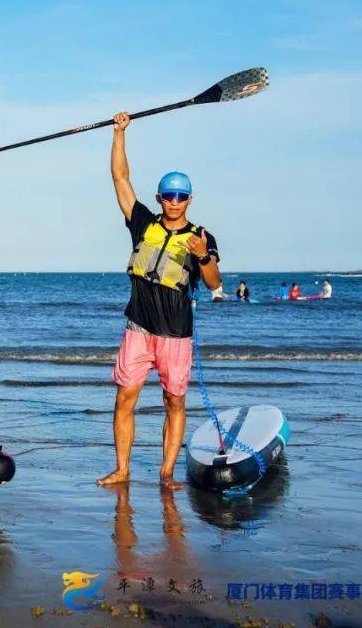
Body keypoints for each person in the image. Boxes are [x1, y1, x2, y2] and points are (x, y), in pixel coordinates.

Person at [98, 111, 222, 490]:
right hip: (138, 328)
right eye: (168, 195)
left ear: (189, 199)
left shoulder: (201, 235)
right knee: (125, 400)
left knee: (174, 403)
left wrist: (202, 255)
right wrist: (119, 134)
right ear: (159, 198)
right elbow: (120, 178)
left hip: (175, 334)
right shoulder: (143, 223)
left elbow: (215, 280)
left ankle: (166, 474)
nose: (174, 202)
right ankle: (122, 470)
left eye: (181, 196)